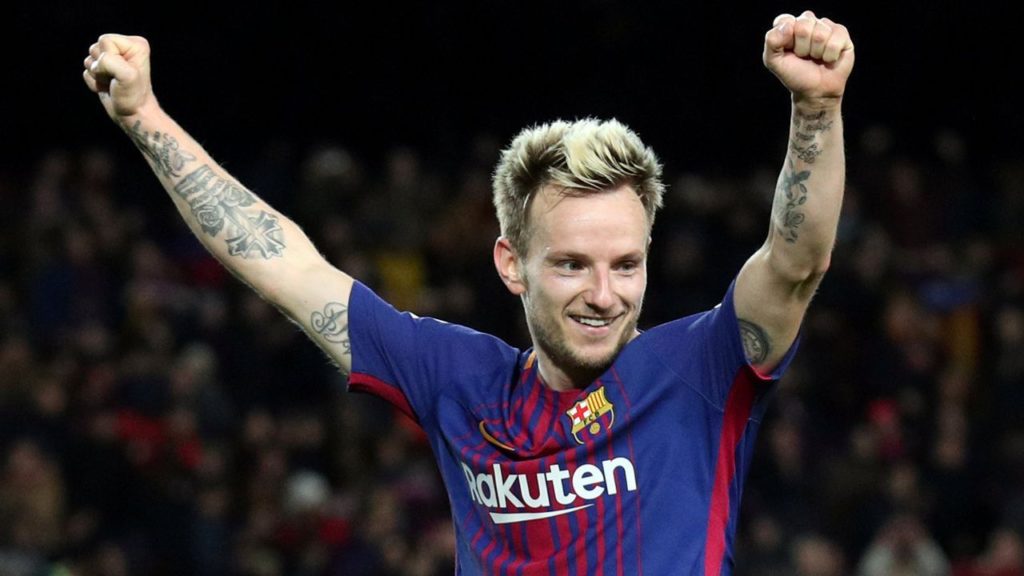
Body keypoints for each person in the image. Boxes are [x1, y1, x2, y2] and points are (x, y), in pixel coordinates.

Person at [82, 10, 854, 574]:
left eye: (626, 265)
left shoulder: (698, 370)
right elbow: (287, 269)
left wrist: (816, 110)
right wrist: (145, 117)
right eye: (571, 265)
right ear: (511, 264)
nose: (604, 294)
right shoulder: (459, 380)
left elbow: (794, 263)